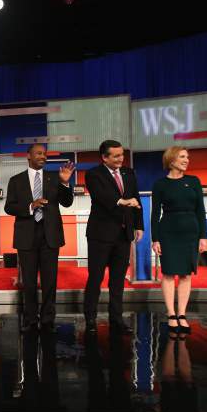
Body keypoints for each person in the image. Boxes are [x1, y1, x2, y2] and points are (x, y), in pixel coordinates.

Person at [4, 143, 74, 332]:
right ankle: (30, 320)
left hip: (50, 236)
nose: (43, 156)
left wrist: (65, 183)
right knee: (29, 282)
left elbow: (67, 203)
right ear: (29, 156)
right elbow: (9, 207)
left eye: (45, 154)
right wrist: (30, 206)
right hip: (26, 236)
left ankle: (48, 319)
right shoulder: (16, 180)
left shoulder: (55, 178)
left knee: (50, 281)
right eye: (39, 153)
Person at [83, 140, 143, 335]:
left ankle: (116, 319)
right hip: (100, 235)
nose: (120, 159)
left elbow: (136, 199)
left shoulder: (129, 173)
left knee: (117, 281)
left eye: (122, 155)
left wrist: (139, 225)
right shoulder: (93, 174)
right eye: (116, 156)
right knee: (96, 278)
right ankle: (90, 319)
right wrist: (122, 201)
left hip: (123, 235)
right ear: (104, 157)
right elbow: (102, 196)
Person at [151, 146, 207, 335]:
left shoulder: (193, 181)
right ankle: (171, 313)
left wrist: (203, 236)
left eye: (187, 157)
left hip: (191, 232)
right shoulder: (160, 184)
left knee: (186, 274)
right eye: (182, 156)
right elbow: (155, 214)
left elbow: (200, 210)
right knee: (168, 273)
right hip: (168, 232)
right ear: (171, 159)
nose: (186, 160)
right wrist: (155, 239)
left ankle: (182, 314)